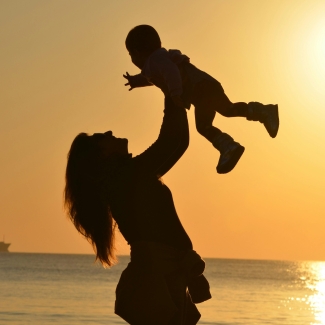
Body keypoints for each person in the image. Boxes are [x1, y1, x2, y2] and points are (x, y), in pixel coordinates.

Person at [64, 97, 211, 325]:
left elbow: (178, 143)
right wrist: (171, 88)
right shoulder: (126, 177)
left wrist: (174, 92)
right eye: (102, 137)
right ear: (100, 156)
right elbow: (172, 141)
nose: (110, 131)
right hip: (156, 280)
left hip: (161, 277)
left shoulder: (129, 177)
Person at [123, 25, 280, 174]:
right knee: (222, 114)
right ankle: (235, 140)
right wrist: (135, 81)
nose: (132, 59)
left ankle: (234, 141)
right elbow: (151, 77)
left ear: (137, 52)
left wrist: (175, 93)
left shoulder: (156, 60)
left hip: (202, 88)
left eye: (131, 55)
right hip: (202, 91)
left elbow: (170, 72)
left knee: (217, 117)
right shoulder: (156, 61)